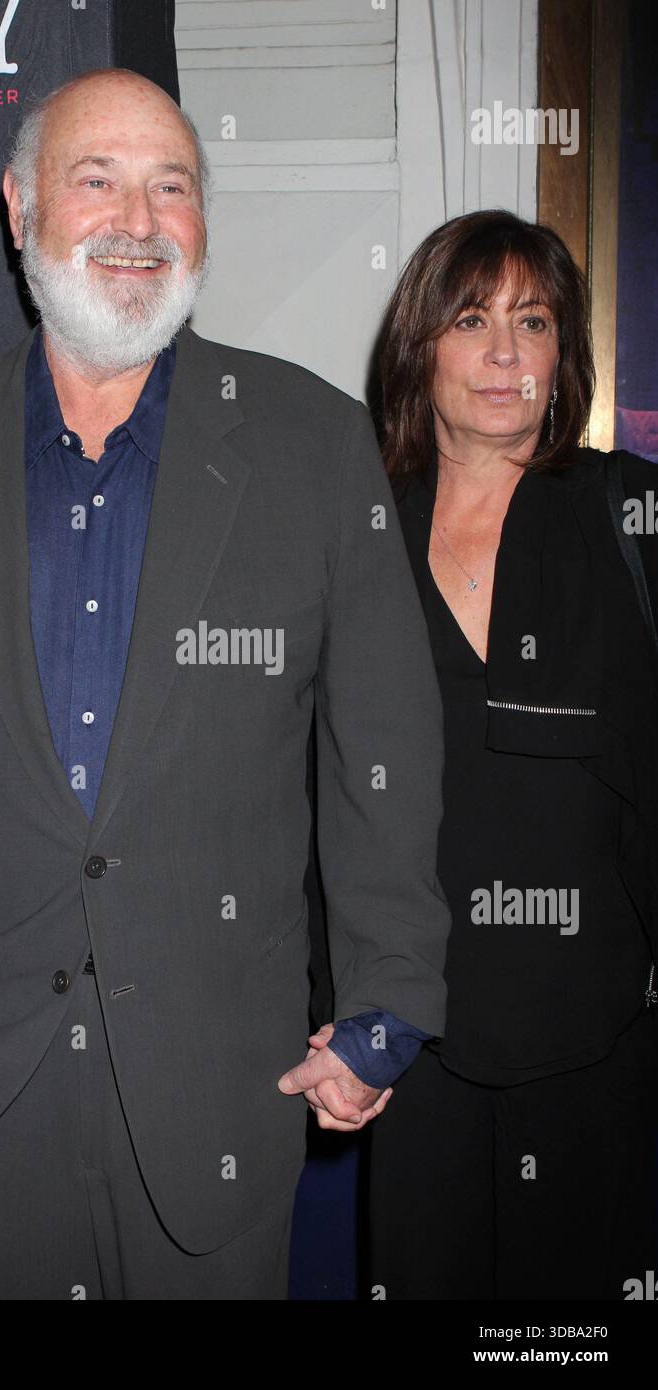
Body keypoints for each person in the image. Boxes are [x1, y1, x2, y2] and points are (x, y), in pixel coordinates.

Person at [0, 68, 450, 1300]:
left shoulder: (315, 446)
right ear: (18, 209)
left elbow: (384, 754)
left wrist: (385, 1002)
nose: (139, 221)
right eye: (94, 180)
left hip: (218, 1099)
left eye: (173, 187)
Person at [366, 208, 658, 1300]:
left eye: (531, 321)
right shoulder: (356, 530)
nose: (501, 351)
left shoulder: (629, 515)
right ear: (420, 345)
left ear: (562, 354)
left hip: (597, 1035)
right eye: (472, 318)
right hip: (413, 1038)